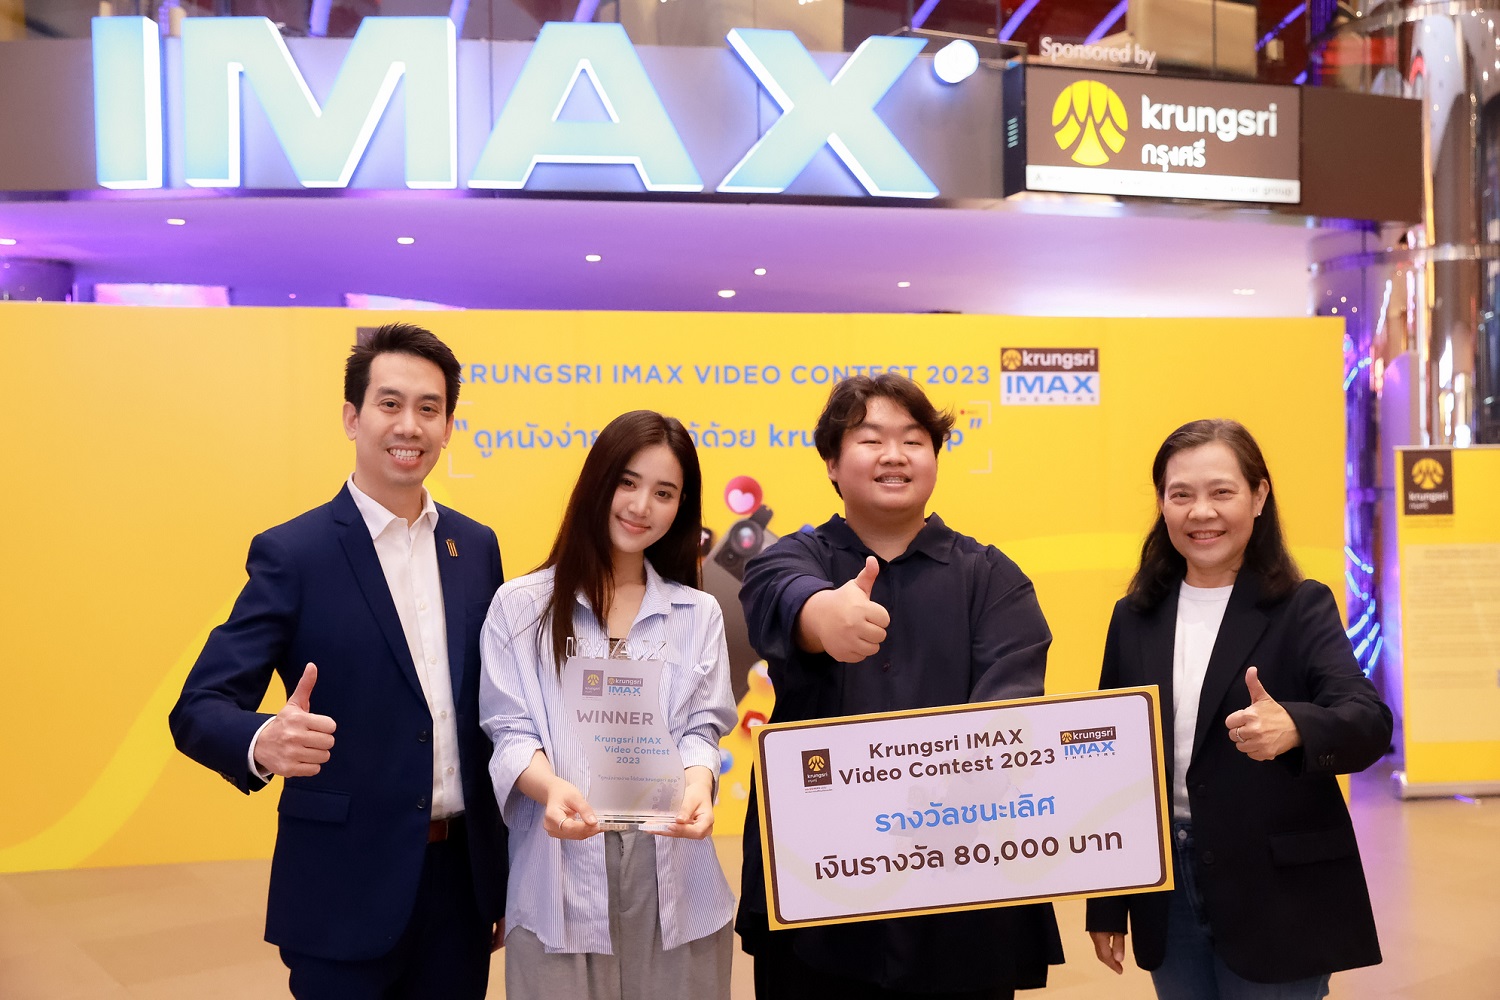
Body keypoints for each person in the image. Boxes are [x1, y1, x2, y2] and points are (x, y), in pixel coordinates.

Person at [169, 322, 507, 999]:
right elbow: (198, 708)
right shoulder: (295, 554)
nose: (409, 425)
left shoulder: (476, 548)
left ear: (448, 427)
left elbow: (491, 712)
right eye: (390, 403)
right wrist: (265, 739)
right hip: (342, 885)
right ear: (353, 418)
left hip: (460, 886)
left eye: (430, 408)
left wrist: (500, 875)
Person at [736, 373, 1063, 999]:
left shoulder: (992, 577)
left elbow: (1011, 711)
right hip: (820, 889)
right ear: (832, 464)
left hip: (960, 887)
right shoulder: (790, 558)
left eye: (913, 440)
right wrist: (825, 618)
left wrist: (936, 802)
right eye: (870, 440)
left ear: (935, 457)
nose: (894, 455)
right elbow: (783, 598)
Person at [1085, 418, 1390, 999]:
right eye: (1181, 494)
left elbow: (1369, 722)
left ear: (1258, 496)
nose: (1201, 512)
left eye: (1221, 492)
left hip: (1277, 891)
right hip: (1167, 890)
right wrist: (1107, 901)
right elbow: (1110, 761)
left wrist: (1296, 726)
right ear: (1162, 504)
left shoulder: (1301, 607)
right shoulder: (1134, 617)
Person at [479, 410, 736, 999]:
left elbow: (702, 729)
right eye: (627, 482)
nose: (642, 506)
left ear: (681, 507)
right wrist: (551, 789)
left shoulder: (697, 614)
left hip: (674, 870)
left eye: (664, 492)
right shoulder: (521, 607)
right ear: (597, 483)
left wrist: (698, 784)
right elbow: (510, 730)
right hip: (558, 868)